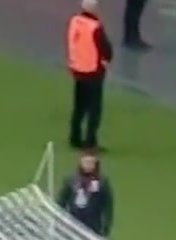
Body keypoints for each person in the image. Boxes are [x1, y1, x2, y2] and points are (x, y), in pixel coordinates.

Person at [67, 0, 113, 152]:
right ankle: (90, 141)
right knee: (94, 109)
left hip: (78, 69)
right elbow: (106, 48)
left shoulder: (75, 21)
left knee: (79, 106)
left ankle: (74, 137)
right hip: (93, 71)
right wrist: (107, 60)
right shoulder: (95, 27)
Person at [58, 150, 114, 237]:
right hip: (73, 222)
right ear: (81, 163)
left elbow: (108, 205)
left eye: (90, 163)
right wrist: (59, 218)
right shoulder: (71, 180)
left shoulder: (102, 181)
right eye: (85, 162)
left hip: (93, 225)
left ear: (95, 164)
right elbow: (62, 200)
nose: (88, 165)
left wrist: (106, 225)